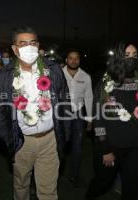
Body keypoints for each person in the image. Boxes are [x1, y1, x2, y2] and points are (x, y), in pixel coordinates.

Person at [0, 26, 71, 200]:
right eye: (23, 43)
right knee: (21, 186)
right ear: (14, 48)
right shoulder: (5, 76)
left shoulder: (54, 70)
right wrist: (9, 139)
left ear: (38, 45)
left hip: (50, 139)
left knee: (48, 191)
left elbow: (65, 104)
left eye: (32, 42)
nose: (29, 47)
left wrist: (64, 135)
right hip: (22, 142)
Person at [86, 41, 138, 200]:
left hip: (135, 147)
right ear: (118, 58)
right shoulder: (106, 82)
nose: (131, 59)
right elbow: (98, 117)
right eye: (126, 56)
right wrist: (105, 149)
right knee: (102, 183)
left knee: (132, 188)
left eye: (134, 56)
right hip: (111, 146)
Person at [62, 49, 93, 187]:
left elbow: (89, 97)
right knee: (59, 146)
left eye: (76, 58)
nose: (73, 61)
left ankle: (74, 175)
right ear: (66, 60)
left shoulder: (85, 76)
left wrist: (90, 119)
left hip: (78, 114)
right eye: (71, 58)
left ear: (79, 60)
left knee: (78, 147)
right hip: (61, 114)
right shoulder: (59, 74)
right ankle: (55, 173)